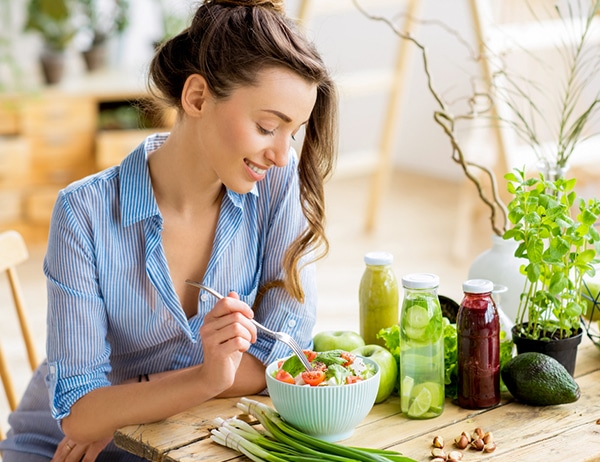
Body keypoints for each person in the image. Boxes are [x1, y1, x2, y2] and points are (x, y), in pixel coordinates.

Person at [0, 1, 338, 460]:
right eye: (266, 127)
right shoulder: (85, 212)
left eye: (292, 133)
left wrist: (123, 406)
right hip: (63, 450)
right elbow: (80, 413)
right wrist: (205, 378)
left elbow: (284, 356)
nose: (281, 153)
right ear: (197, 97)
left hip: (183, 442)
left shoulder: (278, 182)